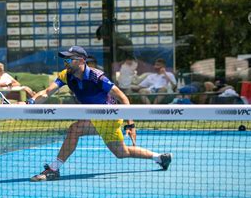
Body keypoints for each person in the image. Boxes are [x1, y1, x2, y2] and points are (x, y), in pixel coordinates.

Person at [28, 45, 172, 182]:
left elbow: (123, 97)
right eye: (65, 60)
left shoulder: (96, 77)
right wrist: (31, 102)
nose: (66, 63)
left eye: (70, 60)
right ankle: (160, 158)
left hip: (109, 116)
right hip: (96, 117)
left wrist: (130, 124)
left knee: (75, 129)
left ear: (82, 61)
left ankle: (54, 169)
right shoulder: (66, 75)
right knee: (122, 153)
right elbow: (47, 92)